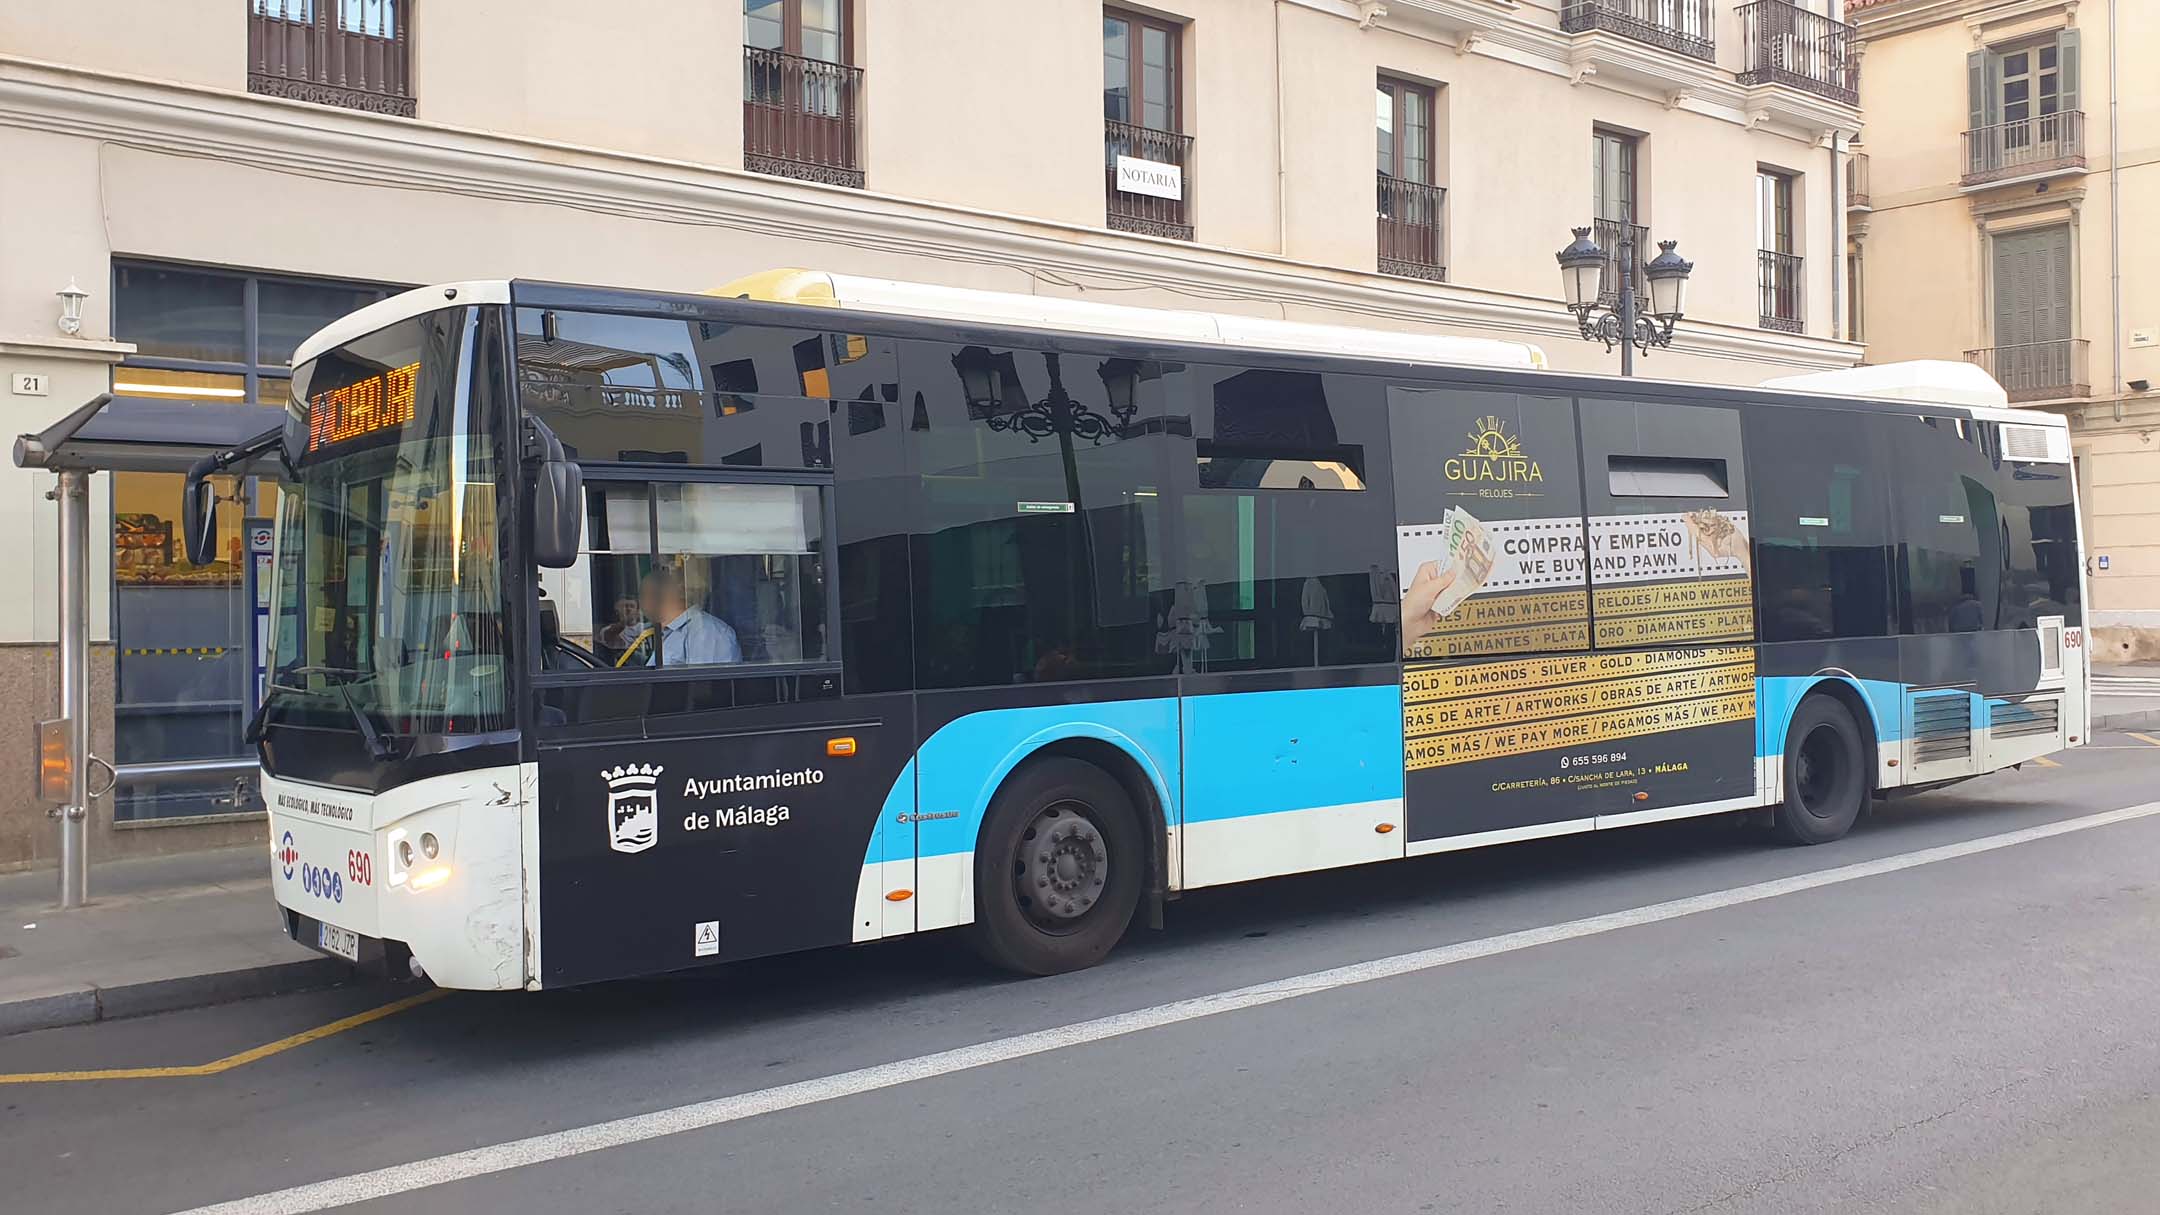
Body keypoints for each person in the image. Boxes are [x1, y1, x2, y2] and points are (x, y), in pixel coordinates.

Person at [638, 565, 740, 666]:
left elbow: (700, 680)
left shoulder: (706, 631)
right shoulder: (654, 631)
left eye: (647, 594)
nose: (643, 602)